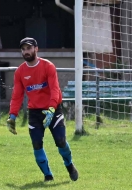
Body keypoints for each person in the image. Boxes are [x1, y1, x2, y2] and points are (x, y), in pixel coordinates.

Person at [6, 37, 78, 182]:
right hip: (34, 113)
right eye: (23, 49)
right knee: (37, 144)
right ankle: (48, 176)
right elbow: (17, 96)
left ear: (36, 49)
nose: (26, 51)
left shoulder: (48, 66)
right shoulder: (20, 72)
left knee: (61, 140)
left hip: (53, 110)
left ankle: (69, 165)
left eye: (29, 48)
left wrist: (51, 109)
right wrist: (12, 116)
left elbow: (55, 90)